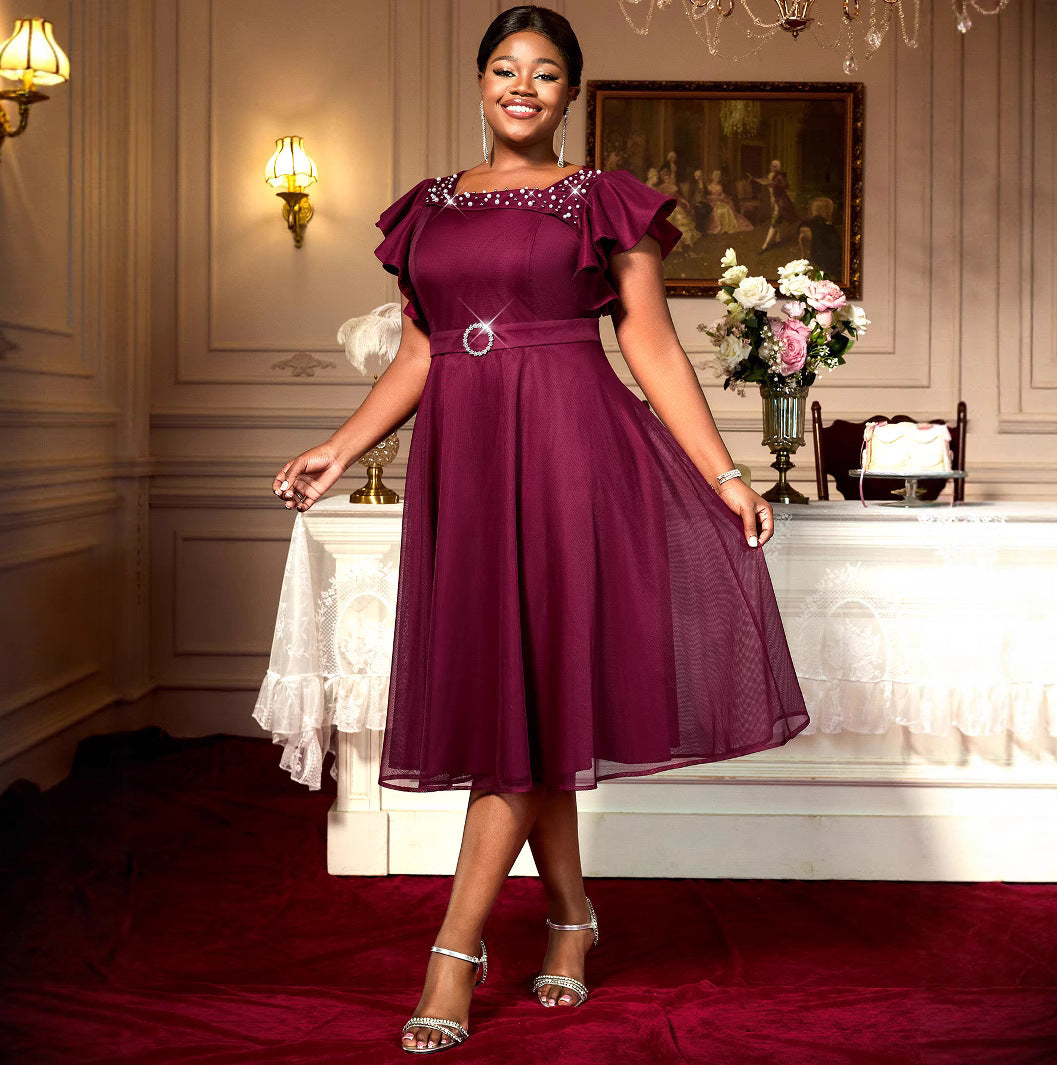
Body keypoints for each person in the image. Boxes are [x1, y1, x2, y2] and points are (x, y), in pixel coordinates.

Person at [272, 6, 809, 1054]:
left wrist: (727, 473)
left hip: (572, 461)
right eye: (507, 68)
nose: (525, 86)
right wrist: (337, 450)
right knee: (523, 702)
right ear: (480, 82)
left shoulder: (600, 201)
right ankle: (571, 919)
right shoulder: (426, 209)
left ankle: (454, 955)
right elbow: (424, 353)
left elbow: (652, 348)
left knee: (525, 703)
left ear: (570, 94)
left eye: (548, 73)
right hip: (466, 470)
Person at [750, 158, 798, 252]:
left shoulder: (779, 176)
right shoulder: (770, 175)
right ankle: (778, 239)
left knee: (773, 223)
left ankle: (765, 245)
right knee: (776, 220)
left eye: (775, 166)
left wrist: (775, 185)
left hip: (780, 201)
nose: (772, 167)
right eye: (771, 165)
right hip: (774, 200)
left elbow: (786, 186)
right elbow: (770, 188)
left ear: (778, 168)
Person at [704, 168, 754, 235]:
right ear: (713, 177)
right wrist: (715, 197)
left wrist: (723, 197)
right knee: (718, 211)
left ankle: (726, 227)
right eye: (715, 176)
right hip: (713, 202)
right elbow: (707, 196)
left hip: (720, 202)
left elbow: (722, 195)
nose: (717, 178)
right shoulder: (709, 186)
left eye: (718, 177)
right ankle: (719, 227)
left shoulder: (720, 186)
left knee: (726, 208)